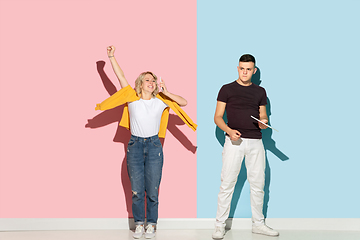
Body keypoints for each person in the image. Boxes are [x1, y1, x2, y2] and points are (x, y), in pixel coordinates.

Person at [95, 46, 197, 239]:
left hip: (154, 147)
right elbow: (121, 76)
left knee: (152, 189)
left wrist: (167, 92)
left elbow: (183, 103)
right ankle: (139, 224)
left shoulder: (161, 101)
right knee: (136, 190)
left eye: (153, 80)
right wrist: (111, 57)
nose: (151, 82)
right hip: (134, 146)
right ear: (140, 84)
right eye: (147, 80)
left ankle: (152, 224)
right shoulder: (132, 99)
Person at [212, 54, 279, 239]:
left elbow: (263, 116)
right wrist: (229, 130)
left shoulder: (260, 91)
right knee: (227, 184)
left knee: (258, 185)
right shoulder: (226, 89)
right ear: (237, 68)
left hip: (256, 142)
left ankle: (258, 224)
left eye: (248, 69)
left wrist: (263, 122)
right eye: (242, 68)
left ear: (254, 70)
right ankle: (219, 226)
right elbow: (217, 117)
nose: (245, 72)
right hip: (234, 141)